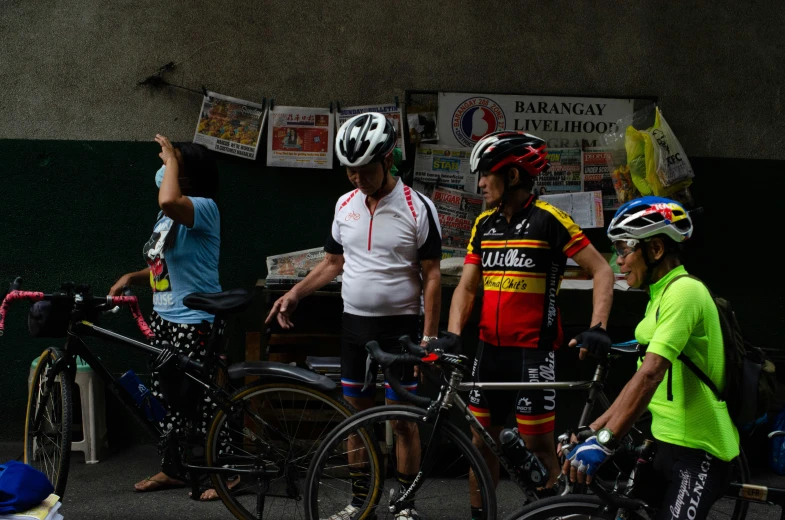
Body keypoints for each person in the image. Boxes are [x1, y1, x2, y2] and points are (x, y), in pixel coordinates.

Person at [266, 112, 442, 520]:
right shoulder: (344, 204)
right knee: (356, 419)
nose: (357, 179)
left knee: (401, 422)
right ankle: (360, 502)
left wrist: (429, 335)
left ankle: (405, 506)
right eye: (350, 170)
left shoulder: (418, 207)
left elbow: (432, 276)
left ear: (387, 160)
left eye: (364, 170)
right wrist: (295, 293)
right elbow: (333, 262)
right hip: (355, 327)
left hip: (401, 330)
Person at [447, 131, 614, 519]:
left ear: (515, 176)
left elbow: (602, 270)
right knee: (480, 442)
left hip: (532, 354)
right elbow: (468, 288)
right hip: (488, 351)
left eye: (488, 174)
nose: (481, 183)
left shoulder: (550, 220)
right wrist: (454, 333)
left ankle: (547, 513)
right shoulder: (484, 224)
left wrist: (599, 325)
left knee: (536, 446)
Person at [564, 196, 739, 520]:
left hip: (700, 451)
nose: (619, 263)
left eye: (624, 250)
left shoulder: (683, 293)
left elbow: (651, 375)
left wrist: (605, 440)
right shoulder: (660, 294)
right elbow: (640, 376)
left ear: (656, 249)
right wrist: (594, 428)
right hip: (664, 443)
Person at [110, 135, 230, 501]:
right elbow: (167, 269)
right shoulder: (166, 217)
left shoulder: (203, 207)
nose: (162, 170)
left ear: (186, 175)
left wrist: (173, 158)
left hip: (196, 320)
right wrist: (133, 277)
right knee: (166, 399)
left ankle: (224, 474)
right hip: (164, 318)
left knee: (206, 399)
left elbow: (168, 196)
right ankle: (174, 469)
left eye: (170, 165)